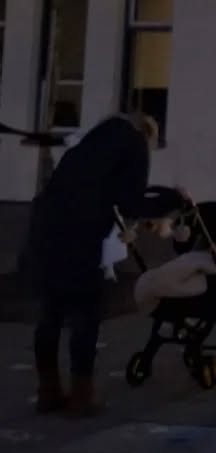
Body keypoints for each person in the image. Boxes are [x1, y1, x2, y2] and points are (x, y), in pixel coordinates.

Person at [29, 111, 177, 415]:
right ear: (147, 134)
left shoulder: (85, 147)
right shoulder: (135, 144)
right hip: (81, 234)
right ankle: (82, 396)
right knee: (85, 313)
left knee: (50, 313)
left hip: (45, 227)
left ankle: (48, 391)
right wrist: (172, 202)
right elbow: (131, 202)